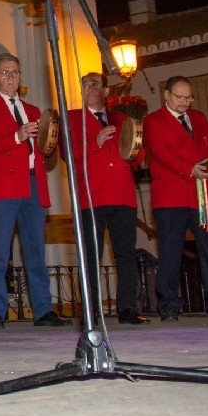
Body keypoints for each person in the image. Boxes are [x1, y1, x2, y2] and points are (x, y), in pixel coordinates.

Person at [0, 53, 69, 329]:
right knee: (0, 251)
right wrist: (18, 135)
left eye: (15, 72)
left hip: (33, 184)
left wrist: (51, 138)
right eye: (5, 73)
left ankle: (42, 309)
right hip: (3, 187)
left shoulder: (34, 109)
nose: (11, 77)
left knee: (35, 250)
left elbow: (47, 150)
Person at [143, 76, 208, 322]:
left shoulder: (199, 118)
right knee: (170, 251)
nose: (185, 102)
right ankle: (168, 304)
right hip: (171, 198)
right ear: (166, 95)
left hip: (203, 197)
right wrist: (188, 169)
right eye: (179, 97)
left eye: (188, 97)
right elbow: (160, 152)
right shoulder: (153, 120)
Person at [64, 72, 149, 325]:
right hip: (91, 196)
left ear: (106, 91)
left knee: (125, 254)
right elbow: (67, 155)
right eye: (84, 85)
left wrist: (133, 152)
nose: (88, 89)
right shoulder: (71, 119)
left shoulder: (122, 118)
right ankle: (91, 311)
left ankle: (127, 309)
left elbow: (139, 153)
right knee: (92, 255)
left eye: (94, 85)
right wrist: (95, 141)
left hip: (122, 196)